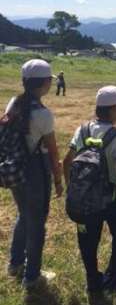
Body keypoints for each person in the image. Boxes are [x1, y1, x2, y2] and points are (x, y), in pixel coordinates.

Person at [63, 85, 116, 293]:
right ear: (114, 109)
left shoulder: (82, 129)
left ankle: (92, 279)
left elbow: (66, 161)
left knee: (87, 241)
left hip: (84, 199)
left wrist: (72, 188)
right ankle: (113, 274)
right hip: (112, 198)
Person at [5, 59, 63, 289]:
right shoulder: (43, 114)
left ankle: (15, 263)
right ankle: (32, 276)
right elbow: (53, 152)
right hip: (35, 170)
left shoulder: (14, 102)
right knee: (37, 223)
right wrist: (58, 179)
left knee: (23, 214)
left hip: (15, 167)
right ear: (45, 83)